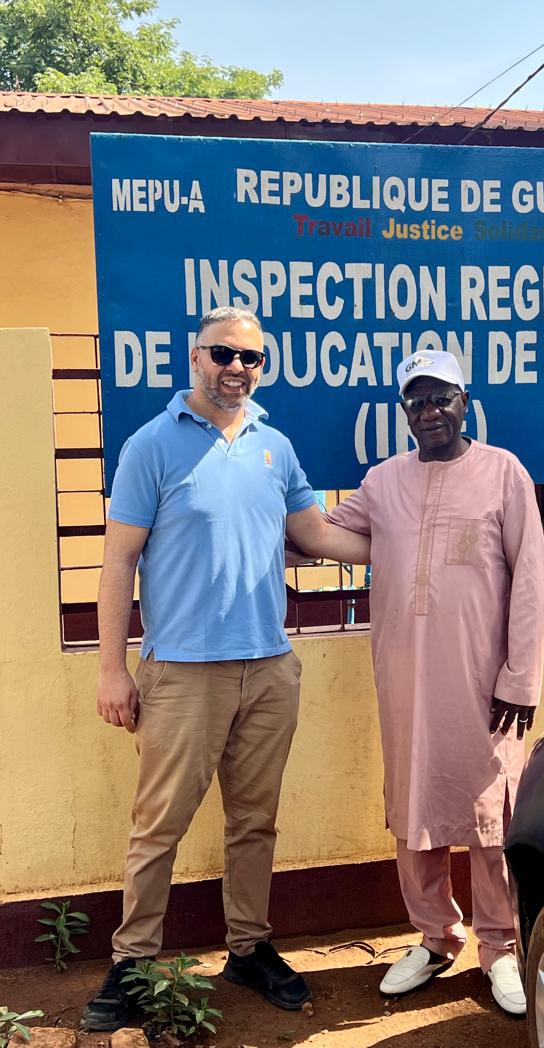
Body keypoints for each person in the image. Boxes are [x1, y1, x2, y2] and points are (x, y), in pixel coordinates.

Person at [81, 307, 369, 1032]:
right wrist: (111, 670)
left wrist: (406, 545)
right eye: (223, 354)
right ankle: (133, 962)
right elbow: (117, 562)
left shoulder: (275, 446)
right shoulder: (151, 446)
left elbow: (315, 532)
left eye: (251, 358)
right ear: (195, 357)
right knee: (159, 828)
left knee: (255, 822)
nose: (237, 368)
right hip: (182, 674)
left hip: (268, 669)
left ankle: (249, 947)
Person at [326, 349, 544, 1015]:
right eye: (416, 401)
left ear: (464, 402)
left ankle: (500, 946)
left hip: (486, 686)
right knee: (415, 809)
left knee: (489, 815)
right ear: (404, 411)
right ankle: (435, 937)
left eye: (440, 398)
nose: (428, 412)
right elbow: (321, 535)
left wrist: (520, 678)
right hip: (406, 683)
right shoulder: (383, 481)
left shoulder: (504, 473)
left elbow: (531, 580)